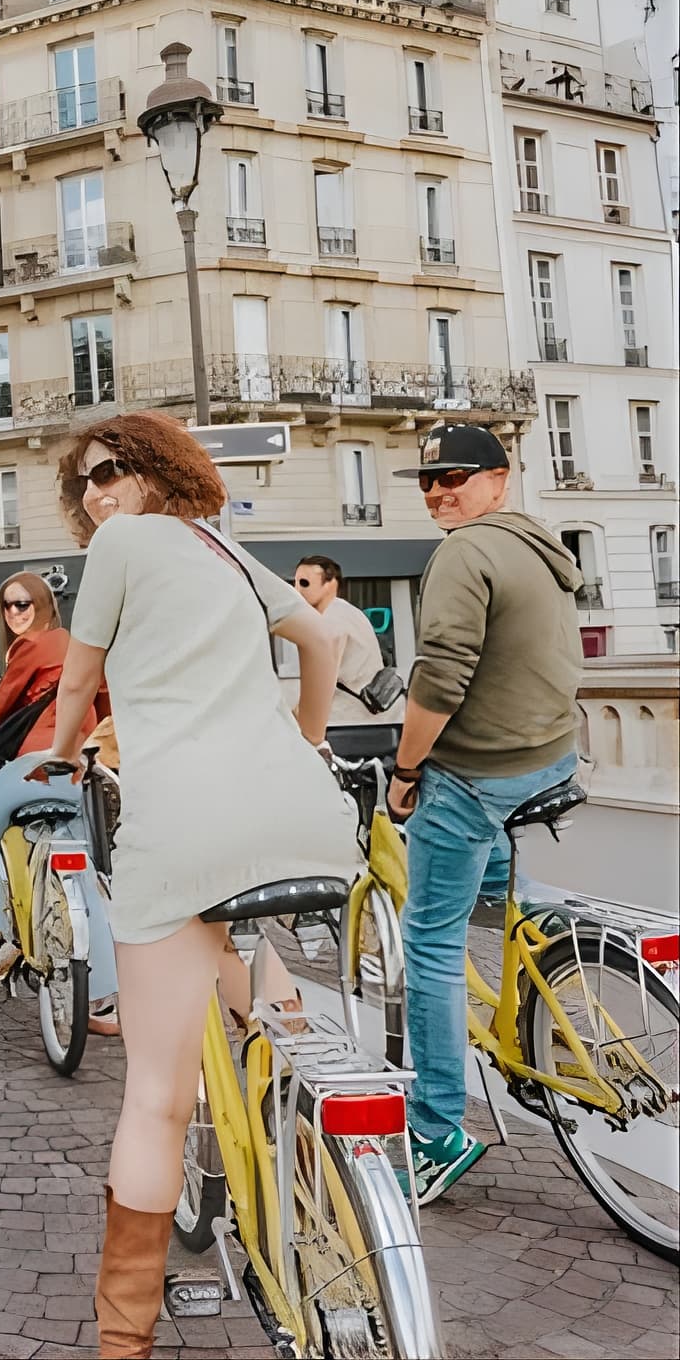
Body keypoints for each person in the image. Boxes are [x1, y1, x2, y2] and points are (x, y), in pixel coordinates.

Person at [44, 411, 356, 1359]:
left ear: (154, 473)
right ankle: (324, 1158)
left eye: (111, 472)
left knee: (154, 1097)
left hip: (185, 826)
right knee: (244, 971)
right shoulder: (223, 549)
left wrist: (62, 757)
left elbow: (76, 685)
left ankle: (122, 1343)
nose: (96, 495)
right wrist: (305, 739)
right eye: (84, 484)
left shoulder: (124, 546)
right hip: (303, 815)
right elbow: (323, 646)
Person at [387, 423, 582, 1205]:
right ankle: (542, 963)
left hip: (482, 774)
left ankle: (435, 1131)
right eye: (430, 482)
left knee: (428, 943)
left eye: (458, 477)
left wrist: (405, 773)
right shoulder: (534, 540)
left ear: (499, 479)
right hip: (553, 753)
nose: (441, 492)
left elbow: (440, 679)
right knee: (495, 891)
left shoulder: (463, 553)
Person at [0, 572, 118, 1028]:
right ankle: (102, 999)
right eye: (8, 605)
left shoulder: (32, 648)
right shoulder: (81, 643)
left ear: (44, 604)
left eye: (24, 604)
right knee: (84, 880)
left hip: (36, 765)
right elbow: (106, 701)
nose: (16, 613)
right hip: (78, 767)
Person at [292, 554, 403, 762]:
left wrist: (290, 717)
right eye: (296, 582)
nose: (297, 590)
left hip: (347, 726)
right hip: (376, 723)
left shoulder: (329, 621)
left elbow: (320, 685)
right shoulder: (349, 611)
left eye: (305, 583)